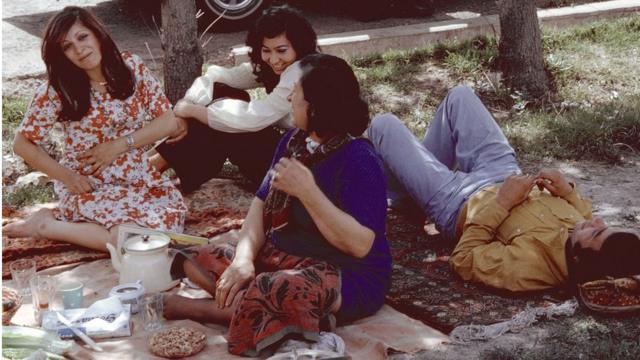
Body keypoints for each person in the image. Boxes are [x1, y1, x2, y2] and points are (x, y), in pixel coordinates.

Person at [163, 54, 391, 356]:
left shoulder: (359, 160)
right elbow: (259, 205)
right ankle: (299, 318)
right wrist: (243, 260)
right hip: (285, 257)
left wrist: (309, 192)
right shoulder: (293, 142)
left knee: (278, 289)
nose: (290, 96)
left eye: (295, 92)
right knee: (197, 257)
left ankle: (203, 310)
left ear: (317, 107)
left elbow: (360, 246)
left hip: (343, 273)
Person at [367, 85, 640, 292]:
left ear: (579, 258)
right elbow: (584, 214)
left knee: (383, 125)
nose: (596, 221)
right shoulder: (586, 240)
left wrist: (502, 205)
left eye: (597, 231)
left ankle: (410, 195)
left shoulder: (528, 268)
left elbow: (462, 260)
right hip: (504, 171)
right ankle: (413, 188)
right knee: (459, 96)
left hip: (456, 200)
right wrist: (566, 191)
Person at [3, 6, 187, 251]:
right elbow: (21, 143)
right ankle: (45, 225)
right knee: (129, 242)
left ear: (97, 34)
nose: (79, 50)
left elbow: (167, 121)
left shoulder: (132, 68)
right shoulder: (58, 89)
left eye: (82, 37)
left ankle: (73, 227)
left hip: (136, 176)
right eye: (67, 46)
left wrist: (119, 146)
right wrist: (68, 177)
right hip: (90, 183)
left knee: (166, 232)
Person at [150, 5, 318, 193]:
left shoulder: (300, 72)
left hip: (304, 167)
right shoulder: (268, 67)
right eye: (266, 50)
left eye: (281, 50)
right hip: (287, 151)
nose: (273, 59)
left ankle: (152, 167)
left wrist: (190, 111)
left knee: (229, 121)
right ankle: (159, 167)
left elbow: (252, 118)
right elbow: (216, 76)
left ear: (299, 45)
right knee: (224, 93)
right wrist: (186, 107)